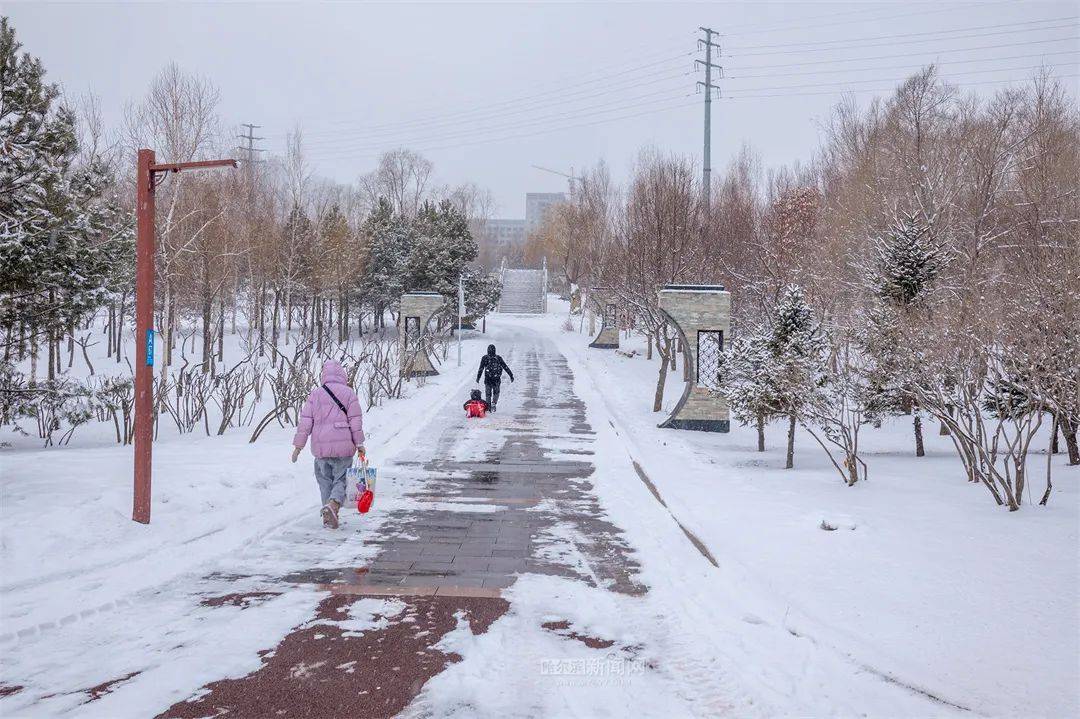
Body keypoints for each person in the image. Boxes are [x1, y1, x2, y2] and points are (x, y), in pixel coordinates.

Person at [291, 360, 365, 529]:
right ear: (342, 375)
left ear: (324, 375)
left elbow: (305, 423)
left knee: (324, 481)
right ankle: (333, 506)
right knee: (341, 480)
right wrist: (359, 443)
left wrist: (298, 447)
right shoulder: (349, 394)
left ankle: (328, 514)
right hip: (344, 447)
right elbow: (355, 422)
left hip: (320, 448)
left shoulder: (315, 394)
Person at [475, 344, 514, 412]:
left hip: (488, 379)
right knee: (496, 393)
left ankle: (488, 406)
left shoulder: (484, 358)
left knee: (488, 394)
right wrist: (511, 375)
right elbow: (505, 367)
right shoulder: (498, 358)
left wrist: (478, 377)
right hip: (496, 379)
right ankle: (494, 403)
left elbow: (480, 368)